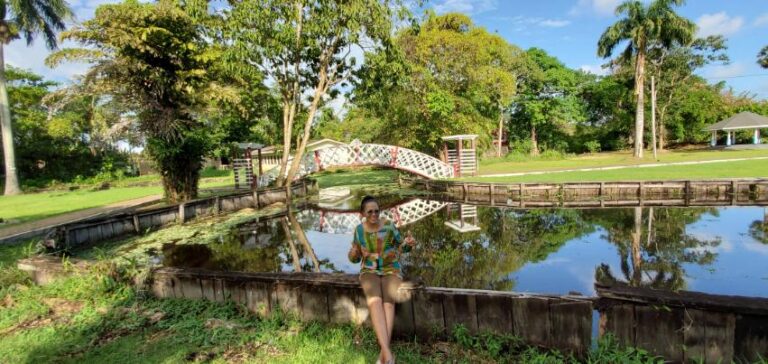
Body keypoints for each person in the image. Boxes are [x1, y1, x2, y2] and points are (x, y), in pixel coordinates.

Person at [348, 195, 415, 364]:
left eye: (377, 211)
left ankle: (382, 356)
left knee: (388, 302)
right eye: (370, 211)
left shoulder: (389, 226)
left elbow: (402, 247)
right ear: (362, 213)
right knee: (375, 301)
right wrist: (353, 254)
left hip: (391, 268)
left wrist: (409, 243)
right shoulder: (358, 231)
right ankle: (388, 354)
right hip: (369, 270)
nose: (374, 214)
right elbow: (355, 258)